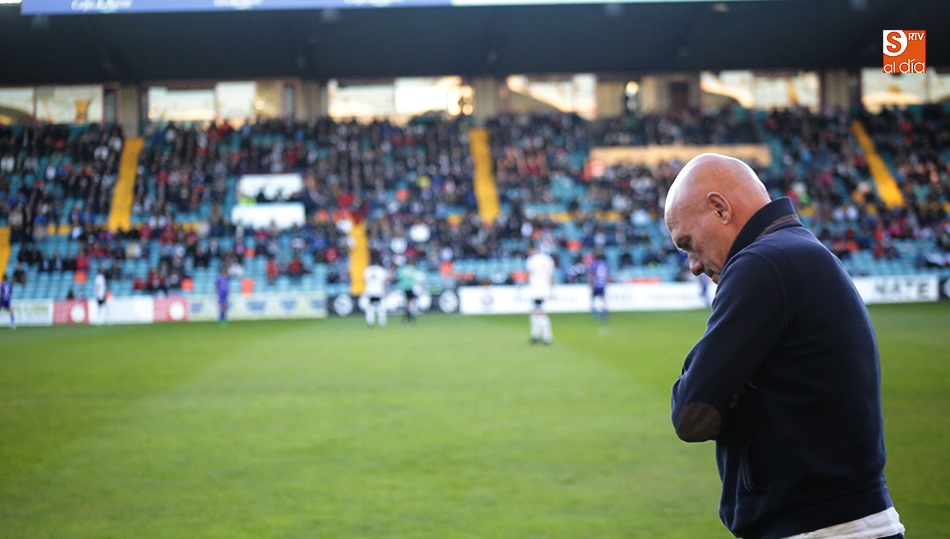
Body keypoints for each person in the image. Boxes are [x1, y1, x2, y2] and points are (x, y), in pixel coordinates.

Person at [664, 153, 903, 539]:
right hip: (840, 521)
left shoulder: (762, 263)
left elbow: (691, 412)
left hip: (818, 528)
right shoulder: (795, 252)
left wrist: (722, 392)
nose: (692, 265)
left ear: (719, 209)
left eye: (688, 243)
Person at [525, 245, 555, 344]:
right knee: (535, 311)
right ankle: (535, 334)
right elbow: (551, 276)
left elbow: (529, 274)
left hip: (536, 289)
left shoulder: (531, 260)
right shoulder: (548, 259)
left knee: (539, 312)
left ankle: (547, 336)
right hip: (545, 289)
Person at [363, 255, 389, 328]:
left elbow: (365, 281)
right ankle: (382, 322)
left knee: (370, 307)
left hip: (370, 291)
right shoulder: (381, 270)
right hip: (379, 291)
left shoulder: (367, 270)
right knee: (381, 307)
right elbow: (385, 281)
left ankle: (370, 320)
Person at [395, 258, 423, 324]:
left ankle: (407, 315)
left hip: (403, 288)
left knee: (407, 302)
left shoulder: (401, 269)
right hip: (411, 287)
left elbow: (397, 278)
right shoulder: (412, 269)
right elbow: (416, 279)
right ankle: (409, 315)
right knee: (411, 302)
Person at [588, 249, 609, 321]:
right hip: (602, 284)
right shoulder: (605, 264)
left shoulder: (594, 264)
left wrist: (591, 284)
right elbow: (606, 275)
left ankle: (595, 312)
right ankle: (604, 311)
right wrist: (605, 282)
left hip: (596, 284)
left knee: (593, 298)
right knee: (603, 299)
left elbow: (592, 275)